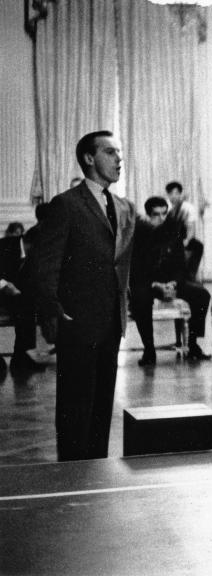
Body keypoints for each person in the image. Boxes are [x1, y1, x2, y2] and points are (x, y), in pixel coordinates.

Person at [30, 131, 137, 461]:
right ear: (89, 158)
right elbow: (42, 264)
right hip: (77, 322)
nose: (119, 158)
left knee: (103, 406)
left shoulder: (125, 207)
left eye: (119, 152)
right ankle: (71, 476)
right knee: (75, 409)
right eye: (109, 152)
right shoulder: (66, 204)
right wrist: (54, 309)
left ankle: (96, 475)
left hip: (110, 322)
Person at [130, 196, 211, 366]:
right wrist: (155, 284)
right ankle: (149, 349)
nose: (160, 218)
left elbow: (181, 267)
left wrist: (173, 283)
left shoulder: (173, 233)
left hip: (171, 282)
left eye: (164, 214)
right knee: (140, 298)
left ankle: (193, 344)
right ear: (147, 215)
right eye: (156, 214)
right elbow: (135, 269)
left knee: (202, 294)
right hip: (148, 283)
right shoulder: (139, 235)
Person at [0, 230, 46, 375]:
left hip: (11, 294)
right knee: (25, 305)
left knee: (27, 306)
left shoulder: (32, 256)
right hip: (2, 288)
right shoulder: (4, 246)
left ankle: (22, 355)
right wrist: (3, 284)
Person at [165, 180, 204, 282]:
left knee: (198, 246)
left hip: (183, 237)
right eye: (171, 194)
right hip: (167, 238)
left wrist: (186, 241)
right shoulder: (165, 206)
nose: (174, 196)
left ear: (180, 194)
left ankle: (190, 275)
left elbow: (190, 227)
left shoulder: (188, 208)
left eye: (176, 193)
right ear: (168, 195)